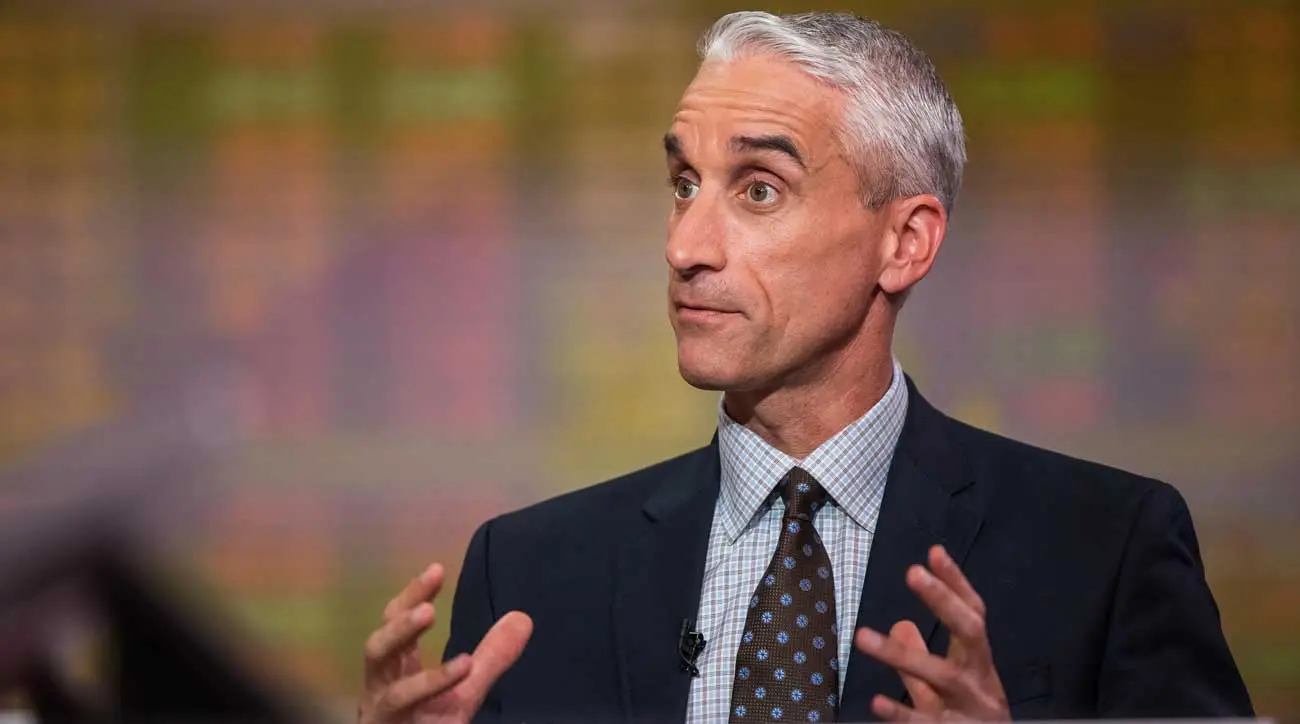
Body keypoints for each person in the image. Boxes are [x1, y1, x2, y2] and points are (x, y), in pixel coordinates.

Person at [357, 11, 1254, 724]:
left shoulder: (1106, 550)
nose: (686, 246)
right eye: (682, 184)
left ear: (905, 243)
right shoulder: (527, 574)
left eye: (759, 189)